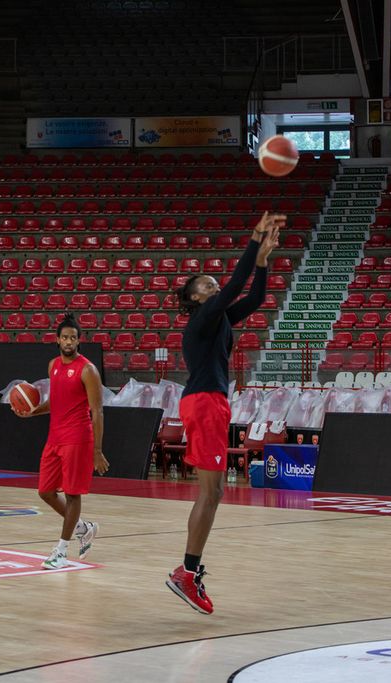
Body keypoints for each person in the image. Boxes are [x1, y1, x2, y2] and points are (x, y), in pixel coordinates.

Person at [165, 211, 283, 615]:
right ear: (196, 298)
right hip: (204, 402)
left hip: (208, 401)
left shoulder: (217, 321)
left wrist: (262, 262)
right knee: (211, 493)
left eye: (214, 283)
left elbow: (255, 299)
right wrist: (254, 239)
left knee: (214, 493)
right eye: (207, 285)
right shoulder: (203, 317)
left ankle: (188, 570)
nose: (215, 286)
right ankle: (187, 572)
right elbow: (235, 286)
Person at [14, 314, 109, 569]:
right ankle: (84, 528)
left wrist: (97, 450)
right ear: (57, 340)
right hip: (55, 437)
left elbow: (97, 411)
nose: (68, 341)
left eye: (73, 338)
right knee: (45, 491)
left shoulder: (87, 370)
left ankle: (61, 551)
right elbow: (55, 402)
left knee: (72, 494)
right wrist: (32, 412)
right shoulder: (53, 365)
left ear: (79, 341)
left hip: (78, 438)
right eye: (65, 337)